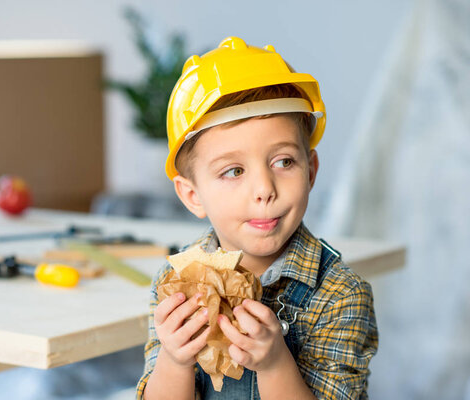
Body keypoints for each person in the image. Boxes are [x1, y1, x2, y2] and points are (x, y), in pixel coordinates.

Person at [136, 36, 378, 400]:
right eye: (234, 171)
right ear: (192, 195)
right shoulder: (175, 283)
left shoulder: (340, 294)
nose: (264, 188)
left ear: (310, 171)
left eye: (283, 162)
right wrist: (174, 360)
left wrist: (276, 364)